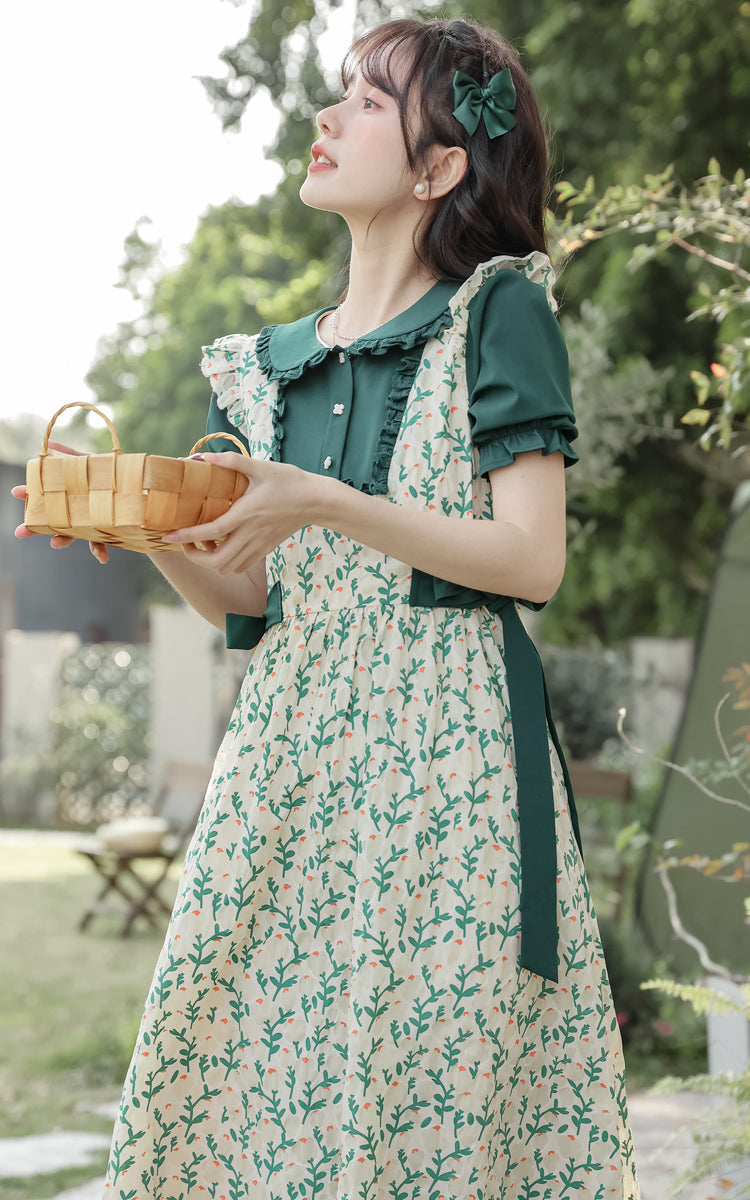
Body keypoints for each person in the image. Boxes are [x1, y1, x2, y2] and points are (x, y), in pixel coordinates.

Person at [15, 16, 641, 1198]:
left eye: (365, 100)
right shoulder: (275, 361)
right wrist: (151, 534)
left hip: (447, 756)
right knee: (228, 1052)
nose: (325, 116)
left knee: (421, 1084)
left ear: (437, 168)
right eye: (338, 94)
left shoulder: (495, 313)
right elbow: (254, 602)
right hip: (293, 750)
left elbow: (531, 558)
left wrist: (325, 501)